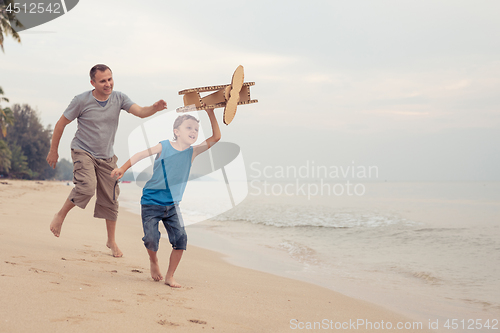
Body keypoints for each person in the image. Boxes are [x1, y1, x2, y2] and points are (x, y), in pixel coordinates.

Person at [46, 64, 167, 258]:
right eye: (103, 81)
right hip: (83, 150)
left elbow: (140, 111)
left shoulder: (119, 98)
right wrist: (53, 150)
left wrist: (154, 108)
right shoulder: (81, 100)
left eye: (110, 79)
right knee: (86, 187)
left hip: (107, 156)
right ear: (92, 82)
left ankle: (111, 241)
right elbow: (61, 123)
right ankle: (60, 215)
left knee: (111, 198)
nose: (108, 84)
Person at [110, 108, 221, 287]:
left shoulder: (192, 152)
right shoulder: (164, 146)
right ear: (176, 131)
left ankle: (170, 276)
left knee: (181, 239)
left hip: (172, 205)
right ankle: (154, 262)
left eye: (196, 129)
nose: (193, 132)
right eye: (189, 127)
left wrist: (210, 112)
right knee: (151, 239)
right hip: (151, 202)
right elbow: (140, 154)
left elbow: (216, 137)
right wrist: (123, 168)